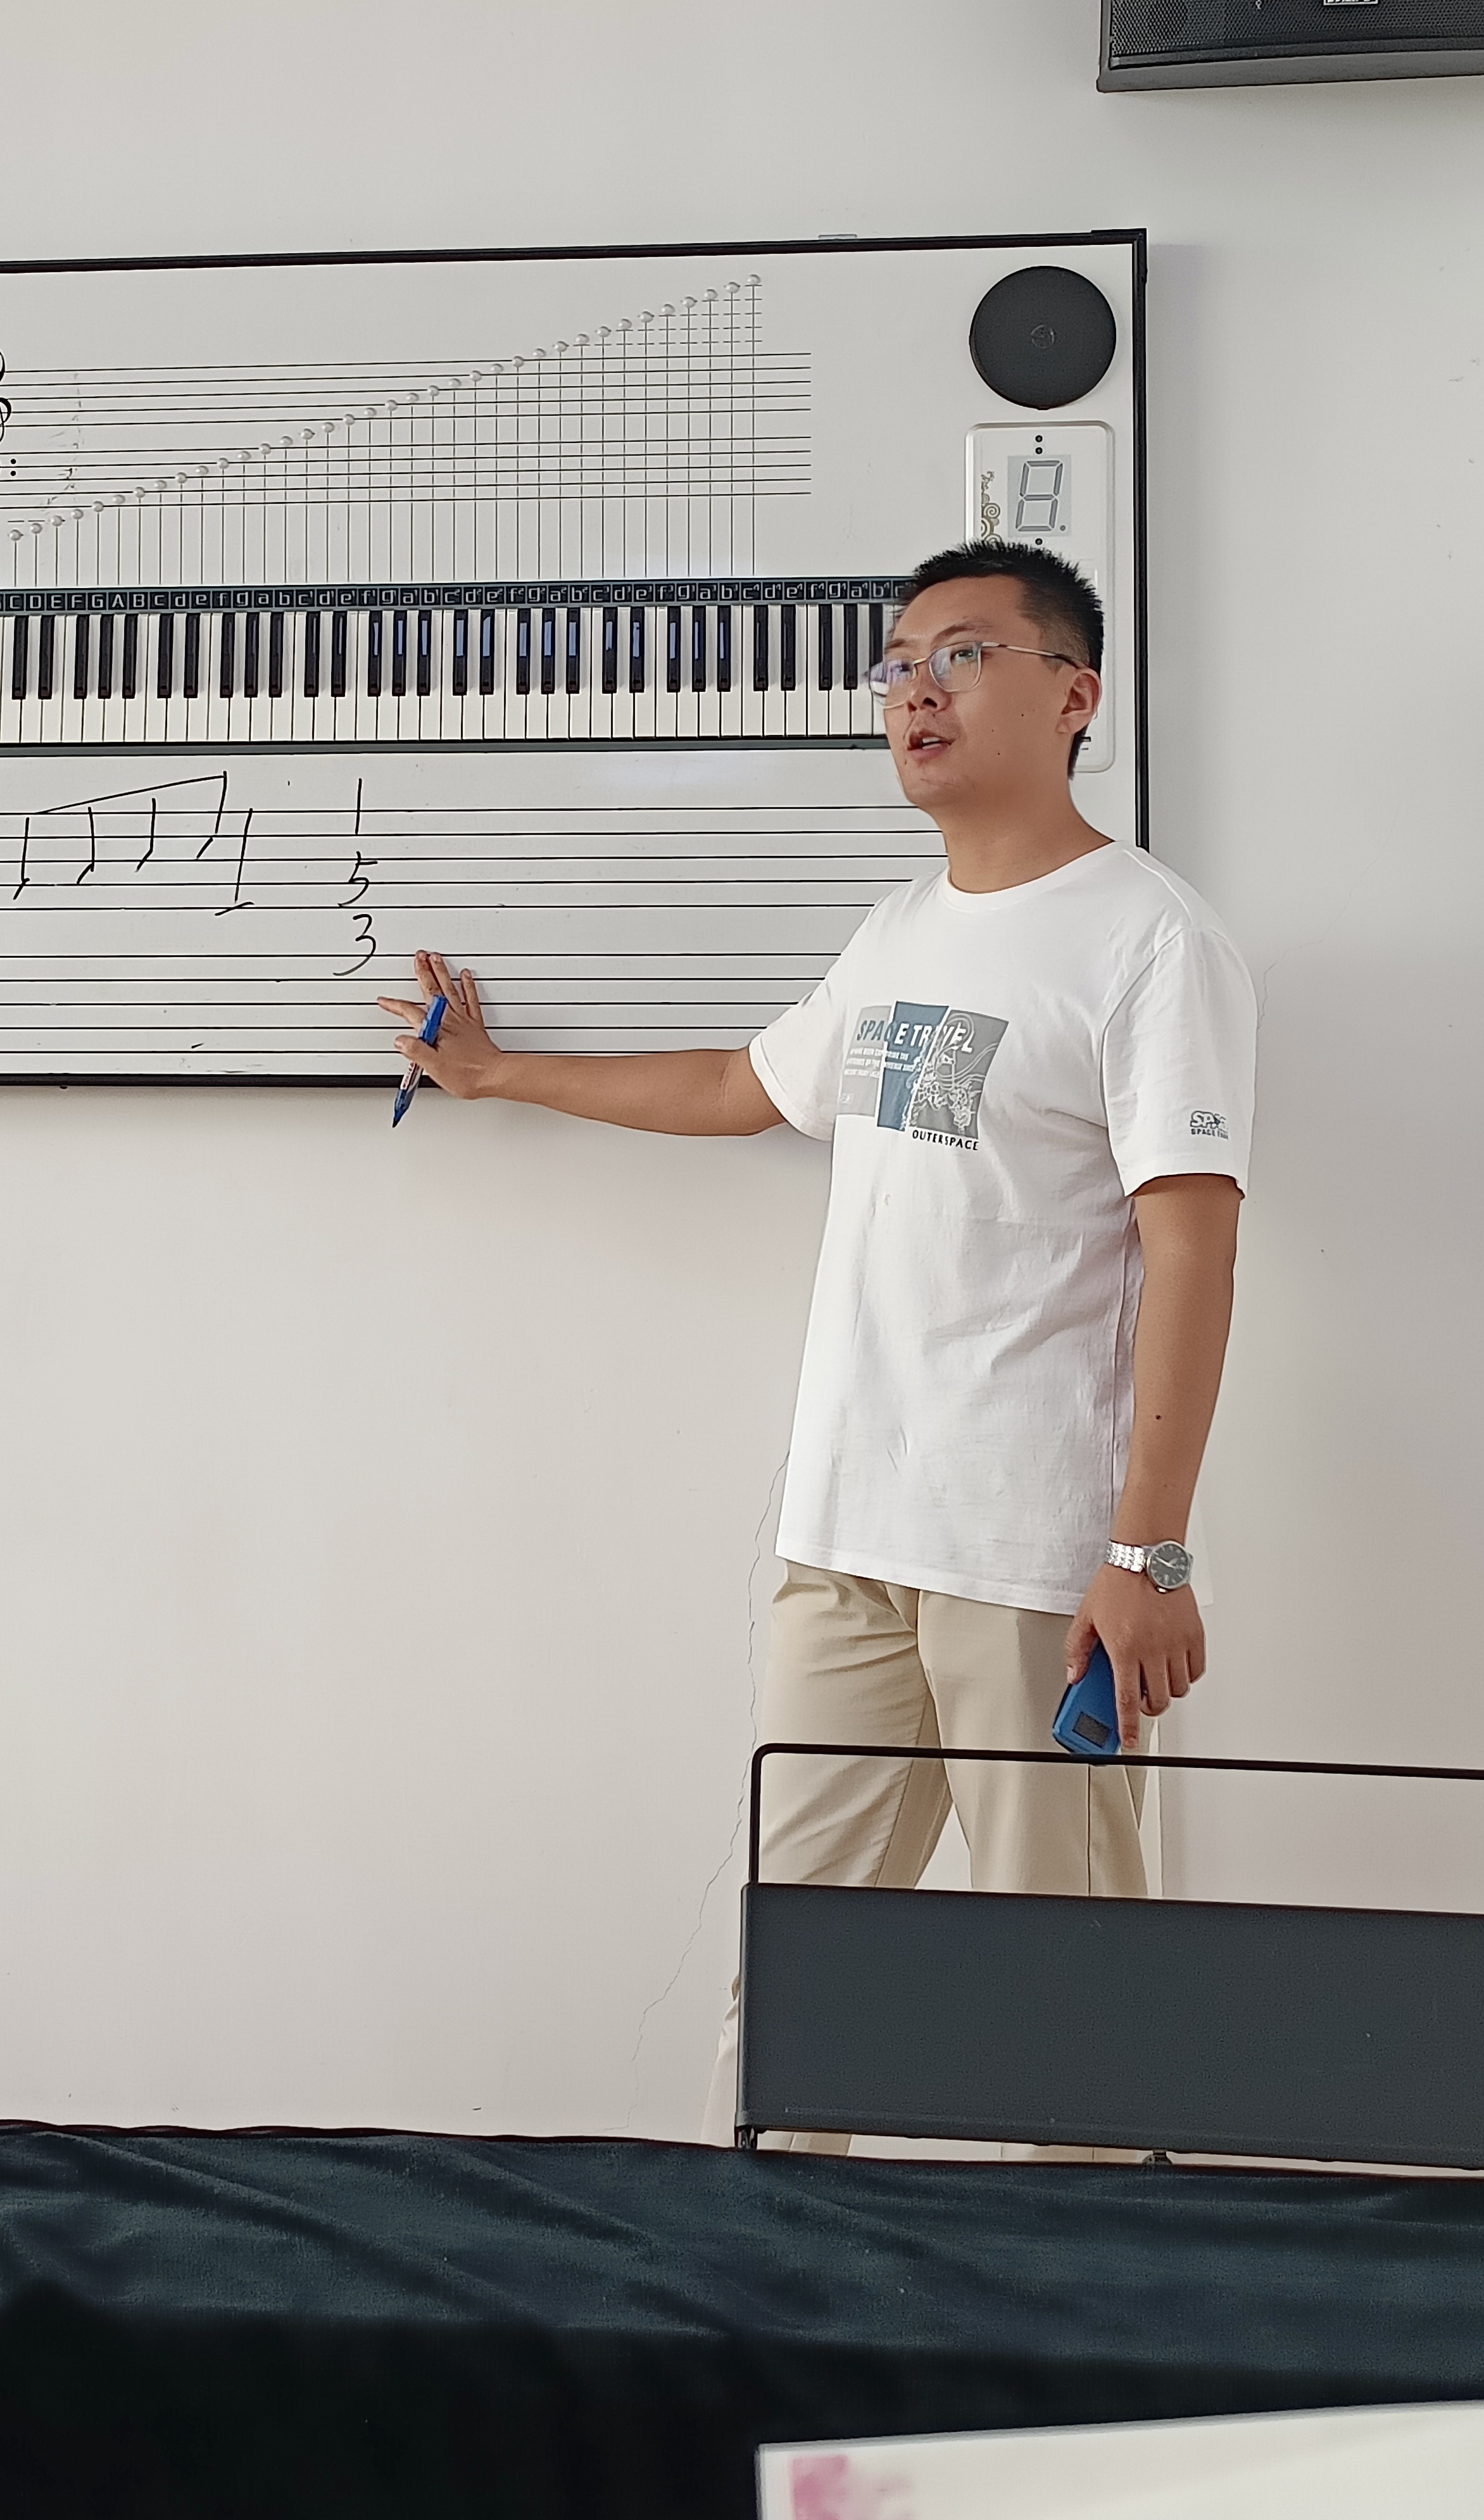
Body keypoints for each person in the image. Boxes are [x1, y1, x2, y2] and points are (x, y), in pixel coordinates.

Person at [380, 539, 1255, 2153]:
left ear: (1076, 694)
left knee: (1073, 1997)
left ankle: (1095, 2291)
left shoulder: (1151, 940)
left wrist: (1150, 1549)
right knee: (795, 1984)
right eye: (899, 662)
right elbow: (744, 1085)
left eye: (964, 653)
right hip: (845, 1539)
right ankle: (757, 2275)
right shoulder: (901, 927)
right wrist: (500, 1074)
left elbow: (1195, 1252)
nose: (917, 689)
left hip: (1033, 1561)